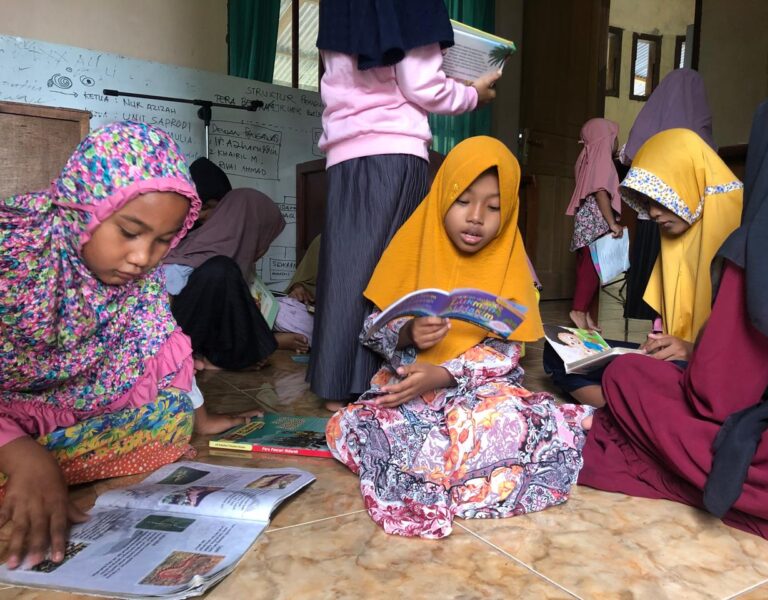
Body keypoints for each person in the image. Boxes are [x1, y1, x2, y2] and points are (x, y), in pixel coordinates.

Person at [0, 121, 255, 570]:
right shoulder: (13, 252)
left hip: (78, 411)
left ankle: (41, 473)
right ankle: (34, 472)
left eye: (163, 241)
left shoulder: (141, 279)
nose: (142, 258)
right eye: (129, 231)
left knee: (171, 419)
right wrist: (21, 454)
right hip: (10, 416)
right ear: (84, 207)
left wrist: (199, 417)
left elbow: (163, 342)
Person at [326, 136, 593, 539]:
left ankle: (480, 456)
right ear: (442, 198)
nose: (476, 217)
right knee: (357, 426)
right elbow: (372, 331)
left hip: (480, 389)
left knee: (505, 421)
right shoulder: (412, 246)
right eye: (463, 201)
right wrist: (407, 332)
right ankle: (454, 463)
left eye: (494, 207)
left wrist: (447, 374)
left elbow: (508, 349)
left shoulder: (509, 262)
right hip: (411, 386)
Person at [579, 84, 768, 553]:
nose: (653, 214)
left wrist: (692, 357)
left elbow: (716, 397)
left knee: (623, 375)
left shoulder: (761, 240)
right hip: (756, 392)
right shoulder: (691, 232)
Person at [311, 0, 501, 411]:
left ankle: (335, 381)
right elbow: (422, 86)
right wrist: (473, 94)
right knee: (390, 271)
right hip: (394, 149)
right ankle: (365, 382)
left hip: (343, 152)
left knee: (346, 270)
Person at [544, 127, 743, 407]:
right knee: (560, 353)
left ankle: (629, 410)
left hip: (709, 367)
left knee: (636, 376)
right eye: (648, 202)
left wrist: (692, 350)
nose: (652, 212)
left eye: (662, 198)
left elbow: (746, 356)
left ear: (692, 183)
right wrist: (659, 340)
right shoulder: (677, 234)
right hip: (671, 361)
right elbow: (668, 316)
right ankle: (631, 410)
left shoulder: (739, 232)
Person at [164, 184, 309, 370]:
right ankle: (216, 361)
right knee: (221, 271)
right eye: (264, 237)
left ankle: (239, 355)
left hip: (191, 344)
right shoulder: (200, 262)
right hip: (167, 347)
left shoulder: (226, 262)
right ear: (250, 231)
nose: (263, 247)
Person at [621, 68, 716, 322]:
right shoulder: (698, 127)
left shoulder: (651, 120)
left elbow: (630, 154)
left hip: (653, 224)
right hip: (687, 218)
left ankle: (656, 326)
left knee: (657, 283)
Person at [566, 118, 623, 332]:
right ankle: (578, 310)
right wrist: (612, 223)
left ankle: (585, 311)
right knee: (591, 270)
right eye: (614, 138)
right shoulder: (602, 160)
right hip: (596, 223)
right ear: (606, 139)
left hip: (584, 223)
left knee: (586, 267)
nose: (616, 142)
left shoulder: (586, 157)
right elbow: (600, 192)